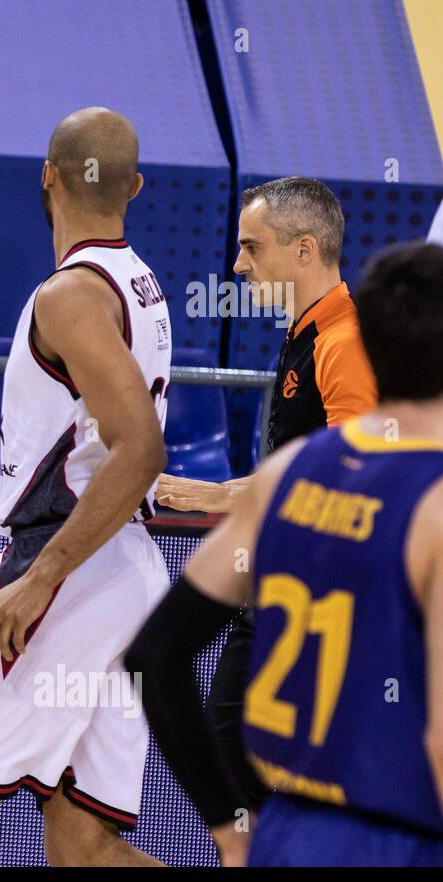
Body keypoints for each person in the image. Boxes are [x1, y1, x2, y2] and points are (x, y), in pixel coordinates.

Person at [0, 108, 171, 866]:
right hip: (123, 570)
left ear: (48, 176)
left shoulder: (68, 296)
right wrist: (0, 501)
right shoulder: (139, 282)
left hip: (67, 579)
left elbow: (138, 449)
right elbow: (88, 443)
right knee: (82, 845)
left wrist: (40, 576)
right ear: (137, 187)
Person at [127, 242, 443, 866]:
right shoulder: (433, 501)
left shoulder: (287, 475)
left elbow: (152, 655)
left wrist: (225, 824)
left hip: (289, 839)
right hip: (400, 844)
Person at [155, 177, 378, 812]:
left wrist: (221, 496)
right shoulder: (308, 332)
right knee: (239, 761)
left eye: (252, 247)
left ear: (304, 250)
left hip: (316, 589)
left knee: (242, 762)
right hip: (284, 578)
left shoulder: (342, 342)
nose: (237, 264)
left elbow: (355, 467)